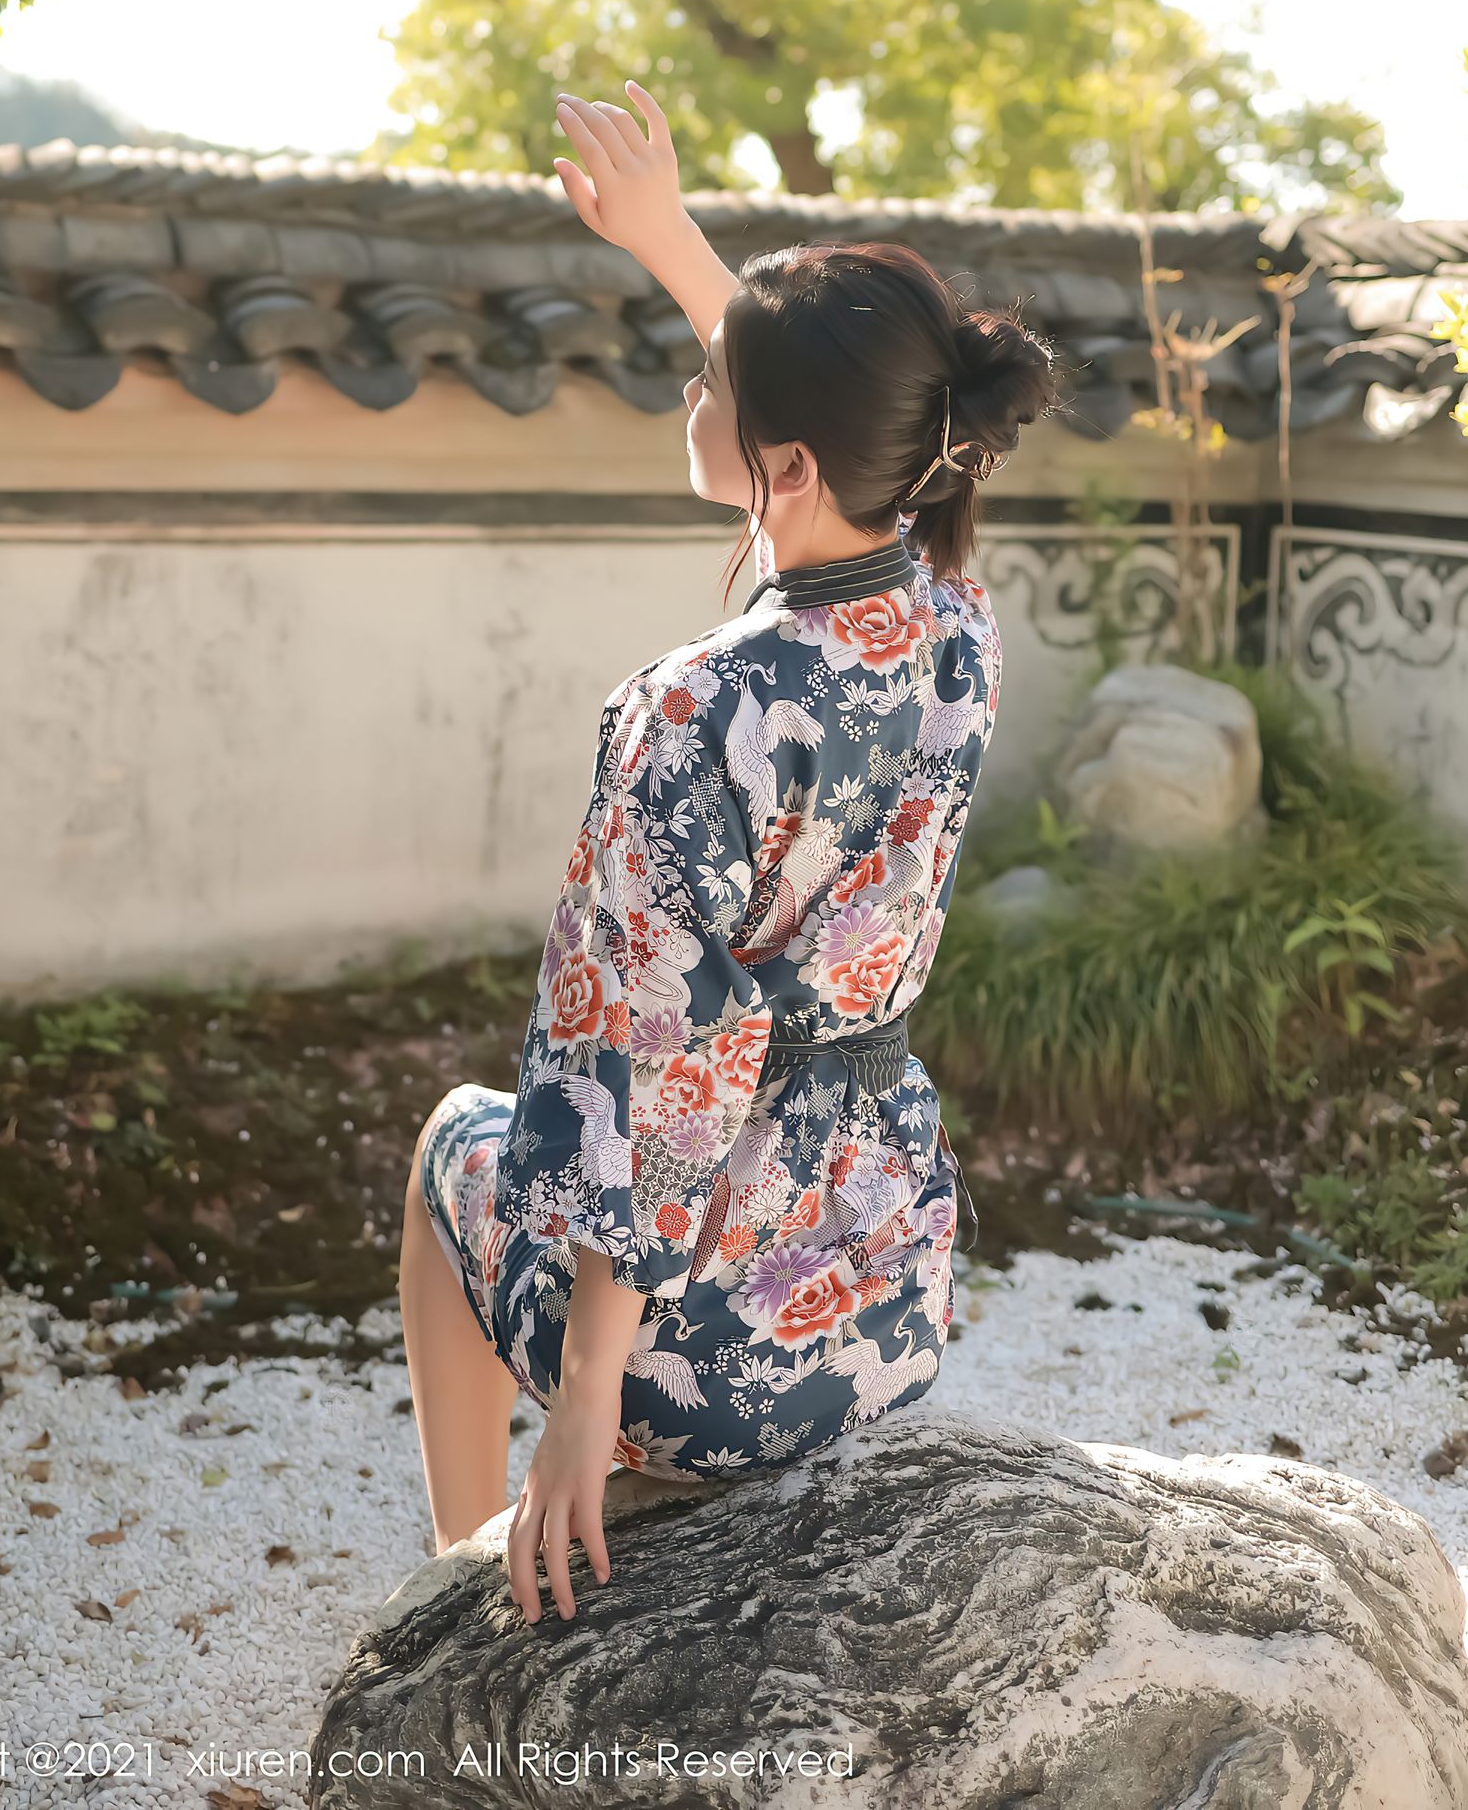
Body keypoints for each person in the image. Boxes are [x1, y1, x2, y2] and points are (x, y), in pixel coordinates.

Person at [398, 81, 1056, 1626]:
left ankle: (458, 1572)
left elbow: (652, 1069)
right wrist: (673, 241)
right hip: (881, 1297)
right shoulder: (957, 633)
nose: (690, 392)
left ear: (790, 467)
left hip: (706, 1357)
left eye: (709, 383)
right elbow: (842, 433)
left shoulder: (694, 711)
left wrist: (583, 1404)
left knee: (450, 1141)